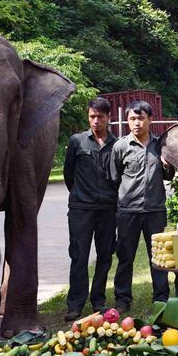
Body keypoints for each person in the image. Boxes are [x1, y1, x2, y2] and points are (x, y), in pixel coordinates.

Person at [110, 101, 174, 314]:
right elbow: (114, 177)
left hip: (155, 210)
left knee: (158, 256)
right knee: (125, 256)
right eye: (132, 119)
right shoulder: (120, 146)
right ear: (127, 121)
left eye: (141, 118)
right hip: (128, 210)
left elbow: (169, 175)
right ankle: (122, 299)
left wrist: (167, 166)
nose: (136, 123)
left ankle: (161, 298)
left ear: (150, 120)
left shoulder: (160, 146)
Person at [63, 97, 118, 321]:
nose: (95, 121)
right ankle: (75, 304)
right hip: (81, 209)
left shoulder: (117, 144)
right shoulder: (77, 142)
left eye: (100, 117)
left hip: (108, 208)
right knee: (79, 256)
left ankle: (98, 301)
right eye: (92, 117)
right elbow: (69, 175)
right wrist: (79, 194)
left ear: (108, 118)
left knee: (105, 256)